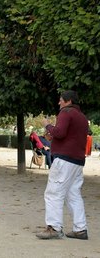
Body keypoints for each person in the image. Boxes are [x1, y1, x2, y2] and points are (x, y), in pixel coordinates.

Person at [36, 90, 89, 240]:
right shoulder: (82, 117)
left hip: (64, 160)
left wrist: (48, 125)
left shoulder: (66, 113)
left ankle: (54, 227)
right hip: (77, 161)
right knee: (74, 195)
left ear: (68, 101)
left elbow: (59, 133)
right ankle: (80, 228)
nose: (59, 102)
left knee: (53, 192)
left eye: (61, 100)